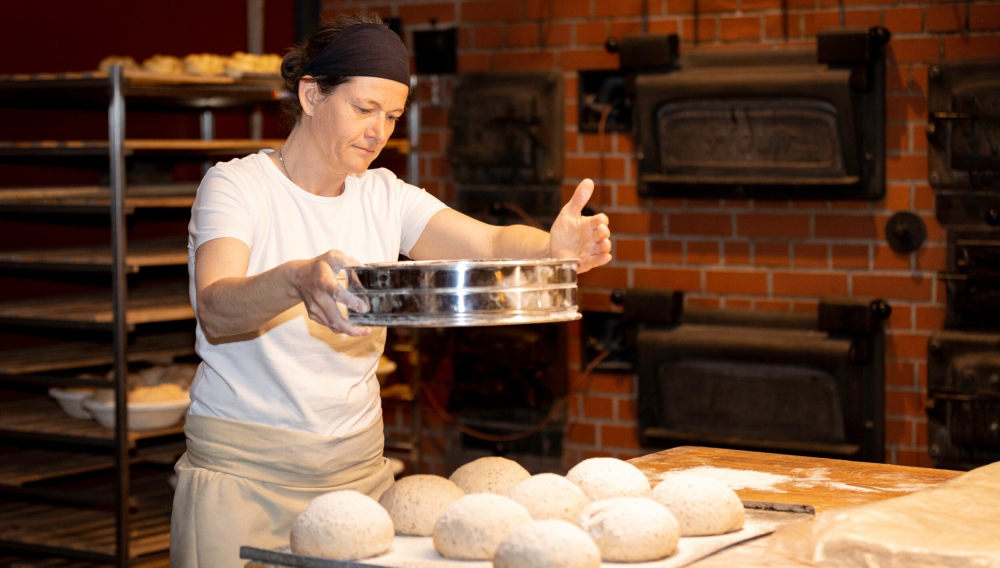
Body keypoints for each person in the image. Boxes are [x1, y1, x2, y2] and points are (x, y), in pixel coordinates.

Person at [169, 11, 612, 568]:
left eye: (394, 116)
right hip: (244, 478)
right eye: (364, 109)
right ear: (311, 95)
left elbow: (491, 242)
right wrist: (296, 279)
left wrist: (552, 249)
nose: (379, 131)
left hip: (357, 477)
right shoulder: (238, 186)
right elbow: (216, 307)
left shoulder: (384, 195)